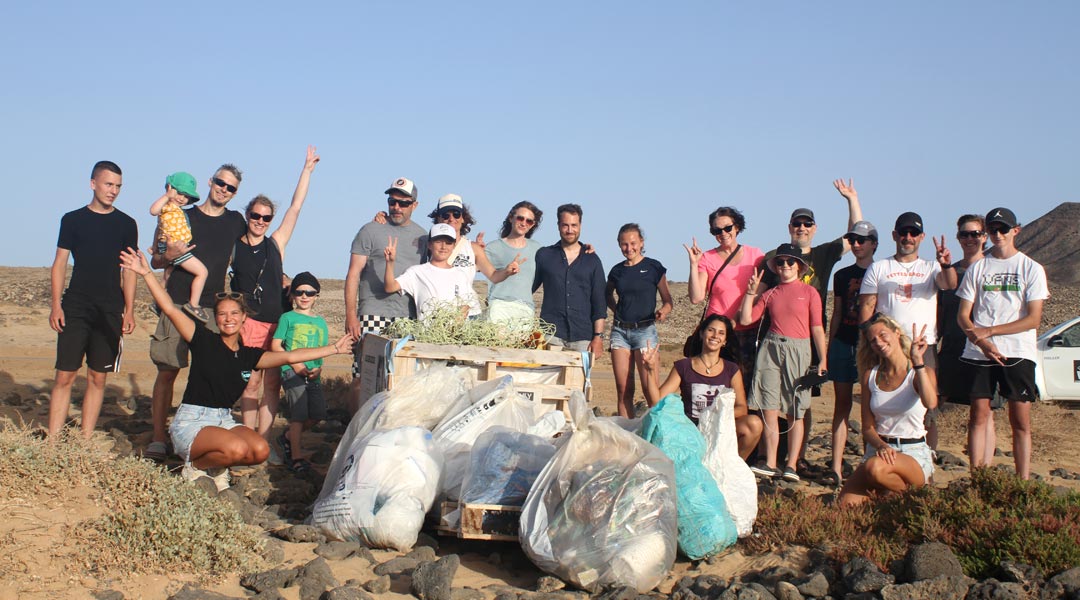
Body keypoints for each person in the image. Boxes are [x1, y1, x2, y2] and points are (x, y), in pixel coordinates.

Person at [121, 248, 354, 491]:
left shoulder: (248, 356)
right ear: (217, 318)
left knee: (260, 450)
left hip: (224, 420)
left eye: (234, 313)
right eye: (222, 314)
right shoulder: (203, 339)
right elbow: (169, 308)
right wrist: (146, 273)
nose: (228, 319)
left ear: (244, 317)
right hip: (193, 421)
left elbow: (289, 354)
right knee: (236, 448)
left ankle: (212, 465)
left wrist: (333, 349)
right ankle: (196, 465)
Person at [759, 179, 863, 468]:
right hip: (778, 336)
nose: (802, 228)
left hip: (809, 336)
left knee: (803, 396)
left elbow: (855, 233)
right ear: (790, 227)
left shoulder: (824, 254)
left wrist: (851, 200)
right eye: (797, 224)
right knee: (773, 397)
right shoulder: (774, 258)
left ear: (814, 229)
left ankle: (799, 456)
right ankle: (774, 456)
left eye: (807, 224)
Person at [147, 164, 247, 462]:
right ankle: (157, 437)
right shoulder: (181, 213)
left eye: (231, 188)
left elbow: (256, 242)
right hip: (177, 302)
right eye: (220, 183)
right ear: (210, 182)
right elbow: (155, 259)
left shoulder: (235, 222)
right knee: (168, 370)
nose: (224, 190)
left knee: (211, 376)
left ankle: (202, 434)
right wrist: (170, 256)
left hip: (213, 310)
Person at [231, 146, 320, 454]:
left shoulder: (275, 244)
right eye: (255, 216)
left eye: (266, 218)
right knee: (250, 384)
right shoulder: (235, 246)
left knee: (271, 386)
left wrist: (306, 171)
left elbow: (295, 207)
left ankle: (264, 444)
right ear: (247, 215)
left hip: (276, 324)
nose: (260, 221)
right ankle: (245, 439)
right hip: (249, 324)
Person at [48, 161, 138, 438]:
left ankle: (86, 440)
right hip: (75, 305)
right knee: (65, 375)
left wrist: (130, 310)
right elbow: (60, 263)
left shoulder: (126, 224)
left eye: (118, 186)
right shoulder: (72, 219)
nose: (113, 191)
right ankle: (51, 441)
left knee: (98, 377)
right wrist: (56, 305)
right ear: (93, 184)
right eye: (108, 184)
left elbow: (130, 271)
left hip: (110, 309)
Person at [956, 207, 1048, 480]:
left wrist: (991, 331)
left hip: (1017, 351)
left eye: (1003, 229)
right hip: (979, 352)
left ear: (1015, 231)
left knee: (1019, 420)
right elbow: (963, 314)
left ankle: (1023, 480)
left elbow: (1033, 319)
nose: (997, 235)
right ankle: (977, 477)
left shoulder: (1031, 268)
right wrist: (981, 341)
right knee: (978, 415)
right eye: (992, 230)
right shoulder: (979, 267)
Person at [859, 212, 956, 452]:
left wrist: (945, 263)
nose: (908, 237)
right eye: (903, 232)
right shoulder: (879, 268)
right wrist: (868, 340)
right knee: (875, 402)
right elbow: (867, 307)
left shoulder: (931, 267)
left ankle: (926, 459)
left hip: (923, 346)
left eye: (913, 233)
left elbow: (950, 284)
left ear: (921, 237)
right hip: (886, 345)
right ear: (895, 235)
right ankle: (875, 453)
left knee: (928, 406)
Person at [738, 244, 827, 482]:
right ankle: (770, 462)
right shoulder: (770, 294)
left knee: (795, 410)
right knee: (769, 408)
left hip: (799, 350)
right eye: (781, 262)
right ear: (776, 268)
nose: (785, 266)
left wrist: (823, 360)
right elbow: (746, 318)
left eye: (790, 262)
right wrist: (750, 293)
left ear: (799, 266)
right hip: (771, 348)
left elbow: (817, 329)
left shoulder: (810, 293)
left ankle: (791, 465)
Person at [344, 177, 426, 413]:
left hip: (407, 318)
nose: (397, 207)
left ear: (415, 205)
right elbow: (353, 274)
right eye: (392, 201)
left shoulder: (423, 238)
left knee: (399, 377)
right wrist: (351, 316)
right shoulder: (370, 230)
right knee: (364, 375)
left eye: (404, 202)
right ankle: (353, 433)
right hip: (372, 313)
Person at [837, 314, 937, 507]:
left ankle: (915, 497)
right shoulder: (870, 376)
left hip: (912, 451)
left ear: (897, 333)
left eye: (883, 335)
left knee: (876, 469)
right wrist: (881, 446)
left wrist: (918, 362)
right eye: (873, 340)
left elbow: (930, 402)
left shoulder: (919, 372)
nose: (879, 342)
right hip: (879, 449)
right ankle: (890, 494)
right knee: (844, 505)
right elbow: (867, 427)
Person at [640, 314, 763, 460]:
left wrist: (714, 414)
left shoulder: (732, 369)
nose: (715, 335)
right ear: (701, 334)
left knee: (753, 424)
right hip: (690, 429)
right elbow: (656, 402)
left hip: (719, 427)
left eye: (721, 333)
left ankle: (732, 466)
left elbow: (742, 408)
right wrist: (650, 369)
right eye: (711, 330)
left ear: (725, 341)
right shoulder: (684, 366)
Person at [826, 220, 879, 485]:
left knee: (874, 406)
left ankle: (873, 462)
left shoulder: (883, 271)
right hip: (844, 341)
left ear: (874, 244)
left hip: (872, 345)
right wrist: (829, 345)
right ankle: (835, 466)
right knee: (842, 405)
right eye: (853, 240)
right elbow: (836, 312)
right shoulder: (842, 274)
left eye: (862, 240)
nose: (856, 245)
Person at [937, 215, 993, 461]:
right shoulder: (950, 271)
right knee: (933, 405)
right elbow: (939, 312)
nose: (970, 239)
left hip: (983, 350)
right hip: (951, 348)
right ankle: (926, 466)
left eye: (975, 234)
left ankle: (983, 474)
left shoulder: (994, 269)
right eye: (964, 234)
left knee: (983, 413)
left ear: (984, 237)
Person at [685, 206, 765, 378]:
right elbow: (696, 297)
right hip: (716, 333)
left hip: (747, 331)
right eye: (717, 230)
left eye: (727, 228)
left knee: (744, 386)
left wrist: (735, 321)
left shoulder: (756, 256)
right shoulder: (707, 258)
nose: (723, 233)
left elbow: (761, 294)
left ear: (737, 227)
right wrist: (693, 264)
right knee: (713, 383)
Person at [606, 223, 673, 417]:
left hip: (645, 333)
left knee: (650, 389)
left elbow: (668, 300)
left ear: (641, 242)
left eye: (633, 243)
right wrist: (616, 309)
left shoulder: (653, 267)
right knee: (624, 390)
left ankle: (656, 435)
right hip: (620, 333)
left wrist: (664, 311)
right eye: (624, 244)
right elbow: (607, 295)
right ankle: (627, 437)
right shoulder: (617, 271)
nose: (629, 248)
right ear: (619, 245)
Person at [271, 272, 329, 474]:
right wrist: (294, 364)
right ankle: (296, 457)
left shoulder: (321, 322)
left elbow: (321, 350)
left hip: (313, 373)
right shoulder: (287, 318)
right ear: (292, 295)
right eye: (299, 292)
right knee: (298, 415)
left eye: (310, 293)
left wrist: (319, 368)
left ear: (316, 296)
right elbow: (276, 345)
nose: (304, 296)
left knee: (318, 413)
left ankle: (287, 438)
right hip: (292, 371)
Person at [533, 204, 606, 354]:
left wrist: (598, 337)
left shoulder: (592, 260)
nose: (570, 230)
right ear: (558, 225)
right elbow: (527, 288)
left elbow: (599, 303)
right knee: (547, 378)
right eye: (565, 225)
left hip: (583, 338)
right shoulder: (544, 255)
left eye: (574, 225)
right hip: (550, 335)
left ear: (580, 225)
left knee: (579, 378)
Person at [385, 223, 481, 319]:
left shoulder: (460, 275)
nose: (443, 247)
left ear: (453, 246)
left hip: (453, 333)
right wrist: (390, 263)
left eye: (448, 243)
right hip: (426, 333)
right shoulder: (416, 272)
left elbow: (466, 305)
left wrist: (454, 327)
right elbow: (390, 287)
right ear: (429, 245)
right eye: (439, 242)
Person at [148, 172, 209, 322]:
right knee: (202, 272)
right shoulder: (166, 206)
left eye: (186, 196)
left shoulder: (178, 211)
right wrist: (167, 196)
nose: (182, 198)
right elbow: (153, 211)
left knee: (167, 276)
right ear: (170, 188)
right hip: (176, 247)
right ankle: (194, 304)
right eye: (179, 193)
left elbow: (160, 228)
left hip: (171, 246)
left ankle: (157, 303)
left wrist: (156, 246)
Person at [485, 201, 544, 323]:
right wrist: (475, 249)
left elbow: (560, 256)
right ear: (511, 218)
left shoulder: (538, 249)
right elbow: (469, 268)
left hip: (526, 309)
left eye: (529, 221)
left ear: (533, 225)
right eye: (520, 218)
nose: (523, 223)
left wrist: (583, 249)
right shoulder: (493, 247)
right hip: (499, 306)